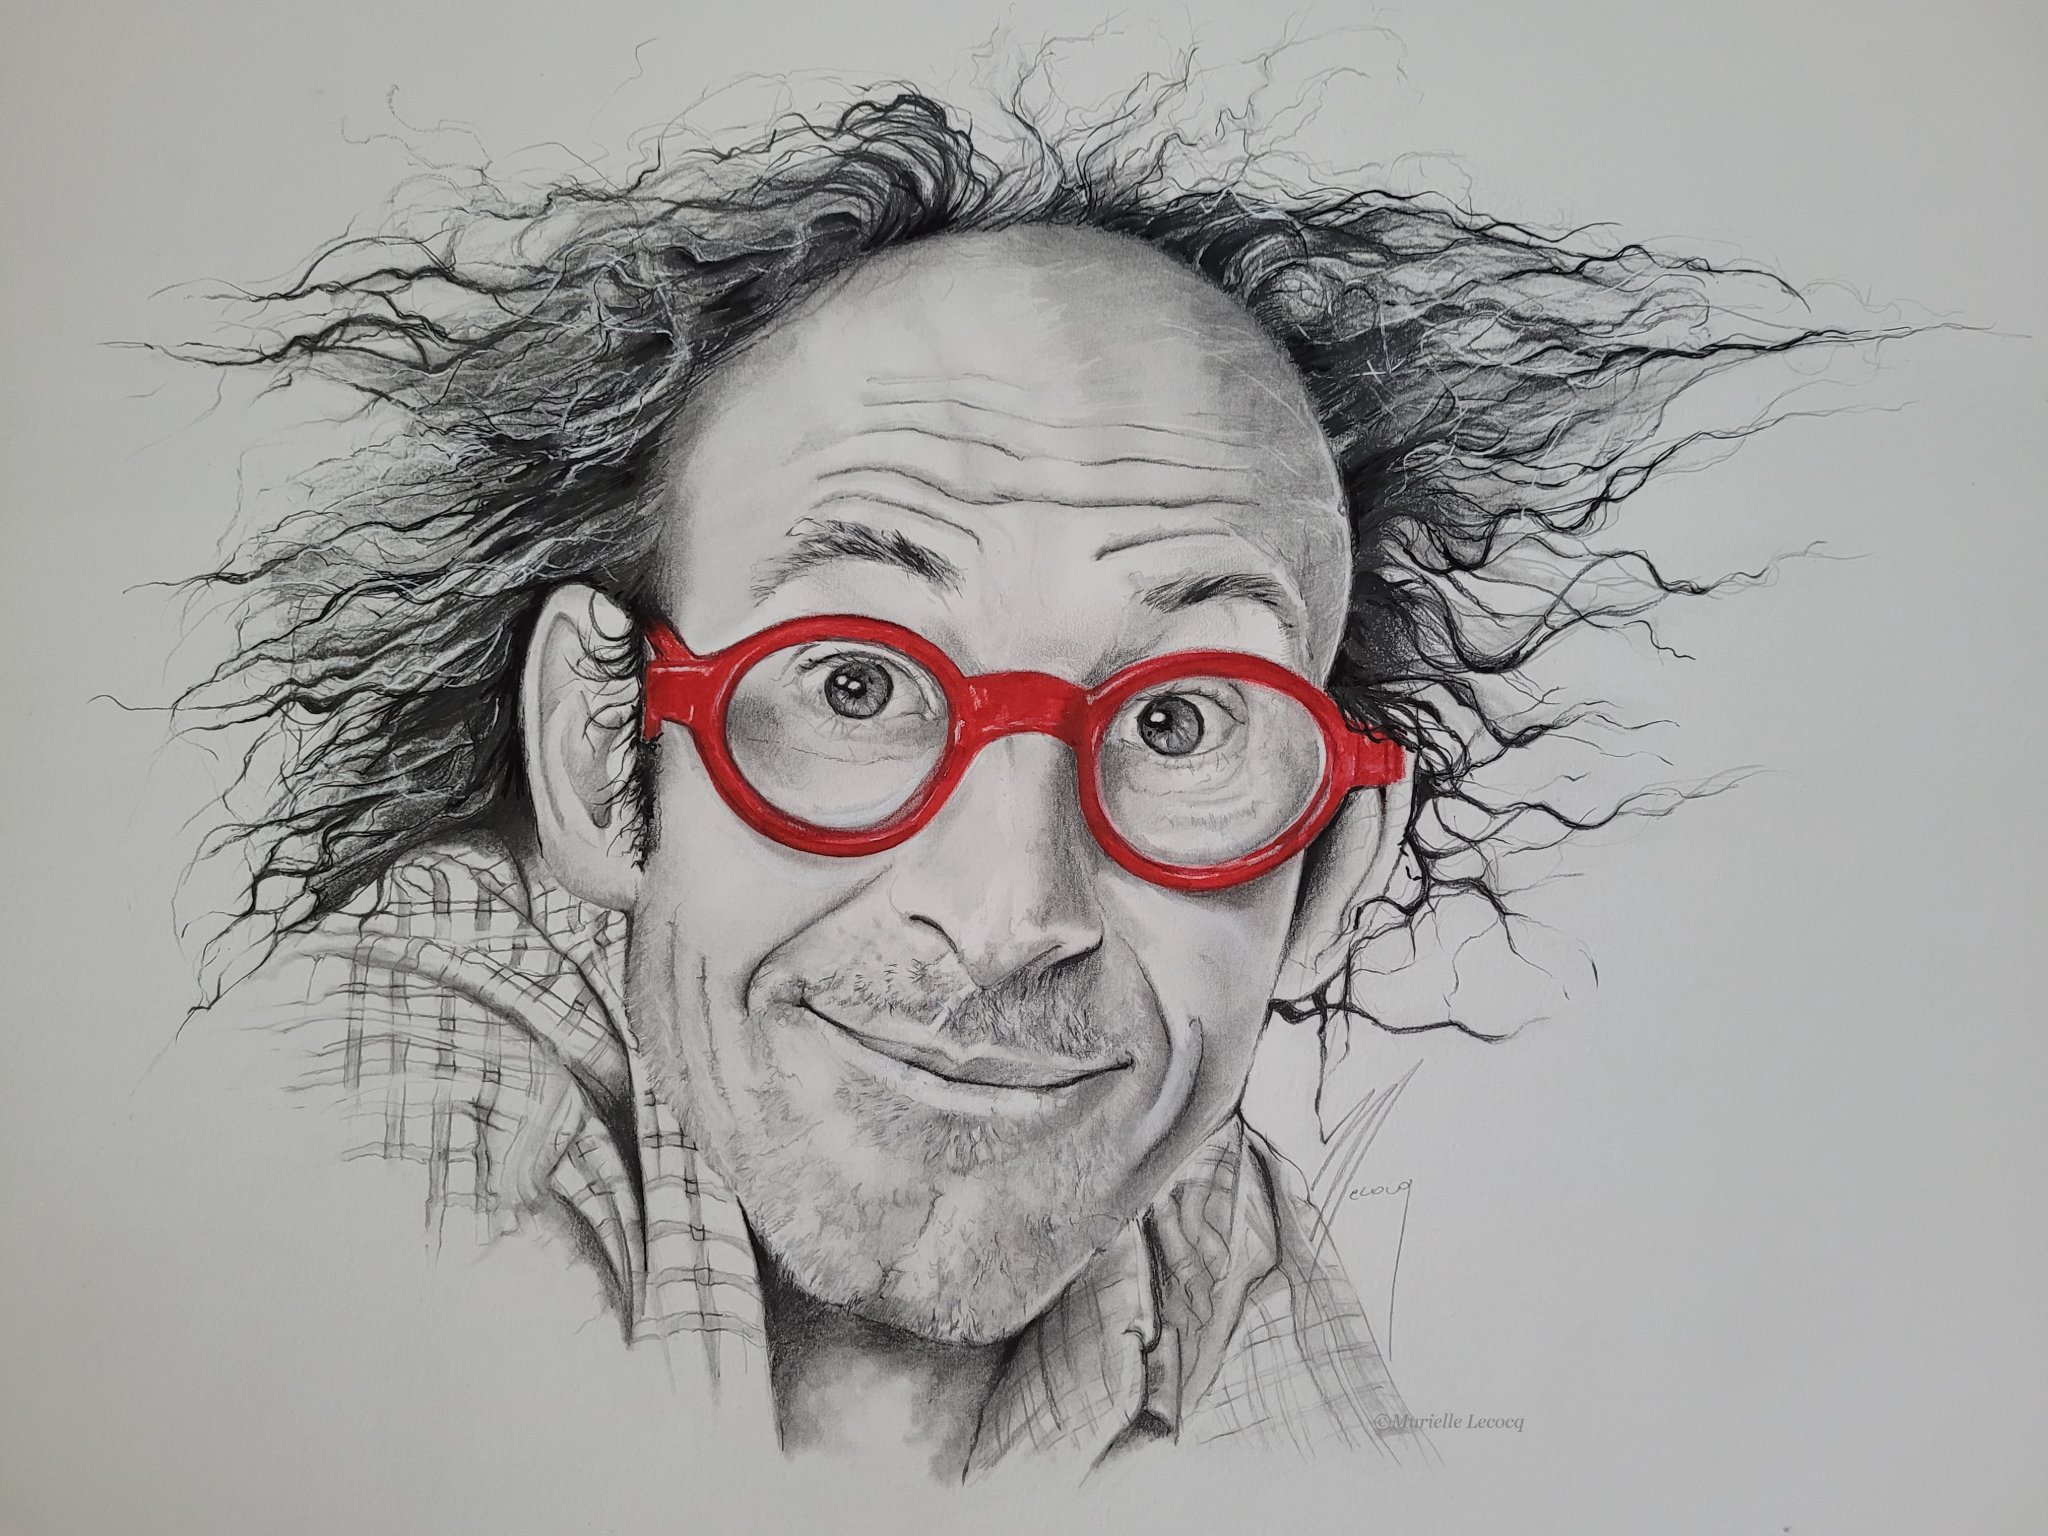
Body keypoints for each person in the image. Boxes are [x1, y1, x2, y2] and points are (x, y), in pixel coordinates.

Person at [187, 88, 1857, 1480]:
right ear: (602, 757)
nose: (1011, 917)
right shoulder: (388, 1088)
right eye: (855, 686)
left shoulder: (1201, 1246)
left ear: (1328, 881)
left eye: (1181, 725)